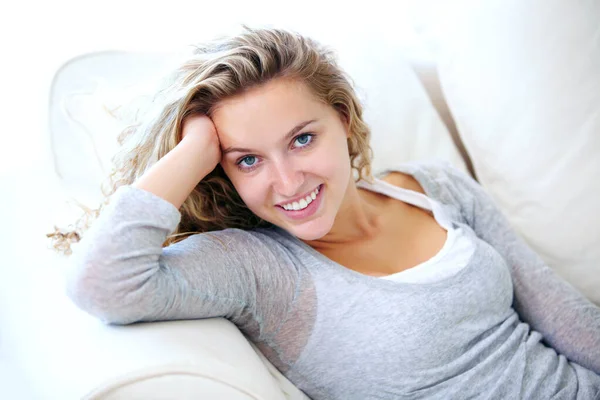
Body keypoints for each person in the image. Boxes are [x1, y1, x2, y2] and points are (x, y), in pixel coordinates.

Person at [51, 27, 600, 399]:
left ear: (342, 118)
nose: (287, 182)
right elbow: (101, 285)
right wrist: (193, 150)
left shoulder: (436, 186)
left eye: (302, 139)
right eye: (248, 159)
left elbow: (566, 319)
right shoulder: (256, 268)